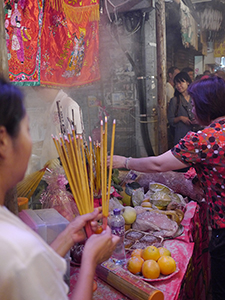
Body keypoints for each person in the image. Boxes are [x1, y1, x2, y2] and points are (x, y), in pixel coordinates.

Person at [0, 77, 119, 300]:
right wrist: (90, 261)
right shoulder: (17, 248)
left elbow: (34, 268)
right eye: (27, 129)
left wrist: (67, 236)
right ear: (3, 142)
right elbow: (26, 262)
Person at [109, 75, 225, 300]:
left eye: (193, 103)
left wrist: (124, 161)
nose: (191, 107)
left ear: (205, 105)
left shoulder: (205, 139)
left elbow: (158, 163)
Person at [32, 87, 84, 168]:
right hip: (50, 168)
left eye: (38, 91)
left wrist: (59, 161)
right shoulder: (51, 106)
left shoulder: (69, 105)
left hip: (64, 170)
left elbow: (78, 143)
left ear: (48, 87)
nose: (38, 96)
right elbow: (55, 136)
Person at [167, 71, 199, 146]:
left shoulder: (195, 98)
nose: (178, 86)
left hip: (196, 136)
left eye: (181, 82)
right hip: (181, 137)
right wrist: (180, 118)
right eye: (176, 83)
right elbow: (170, 119)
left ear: (188, 82)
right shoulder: (175, 100)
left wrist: (197, 120)